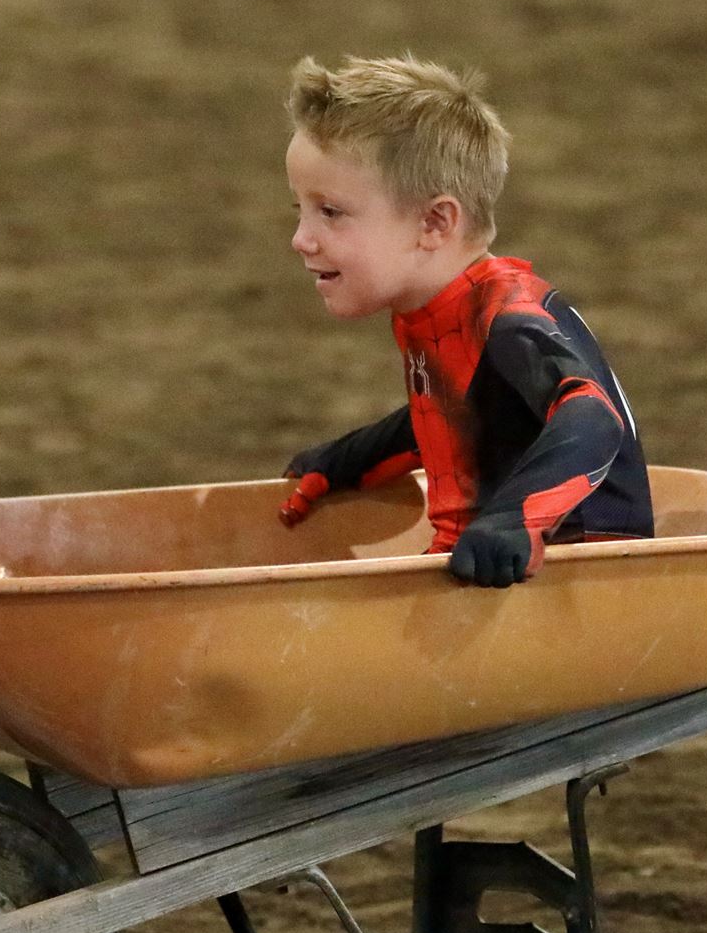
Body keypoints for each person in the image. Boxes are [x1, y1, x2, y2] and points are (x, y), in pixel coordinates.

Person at [277, 56, 652, 587]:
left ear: (434, 222)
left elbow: (592, 415)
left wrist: (514, 518)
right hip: (484, 567)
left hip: (579, 579)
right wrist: (348, 460)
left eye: (330, 212)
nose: (301, 238)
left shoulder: (505, 315)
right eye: (300, 209)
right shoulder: (437, 311)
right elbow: (462, 415)